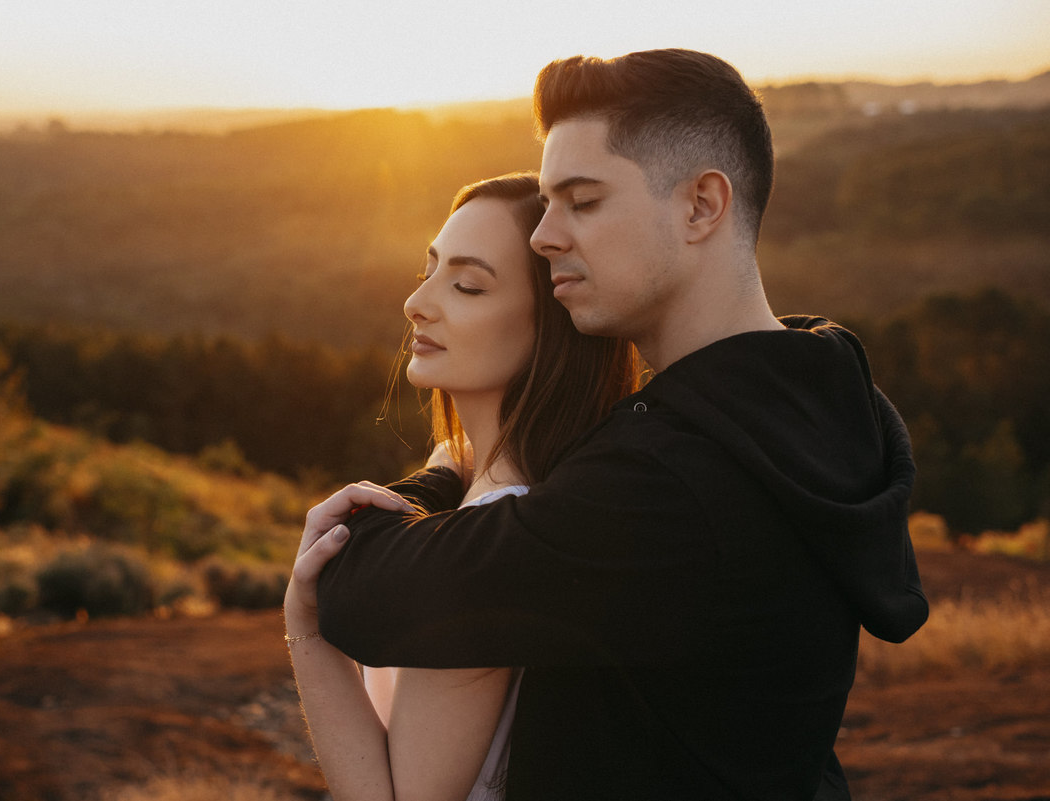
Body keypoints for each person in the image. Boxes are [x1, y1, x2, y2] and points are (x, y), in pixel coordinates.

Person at [302, 49, 930, 800]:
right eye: (547, 200)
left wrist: (421, 488)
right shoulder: (804, 397)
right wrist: (460, 462)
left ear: (702, 205)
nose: (543, 236)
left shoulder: (666, 484)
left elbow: (370, 590)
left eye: (584, 200)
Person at [284, 172, 642, 800]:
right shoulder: (523, 494)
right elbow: (460, 450)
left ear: (553, 326)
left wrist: (306, 628)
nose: (417, 303)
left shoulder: (489, 548)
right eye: (428, 270)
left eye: (468, 285)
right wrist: (451, 465)